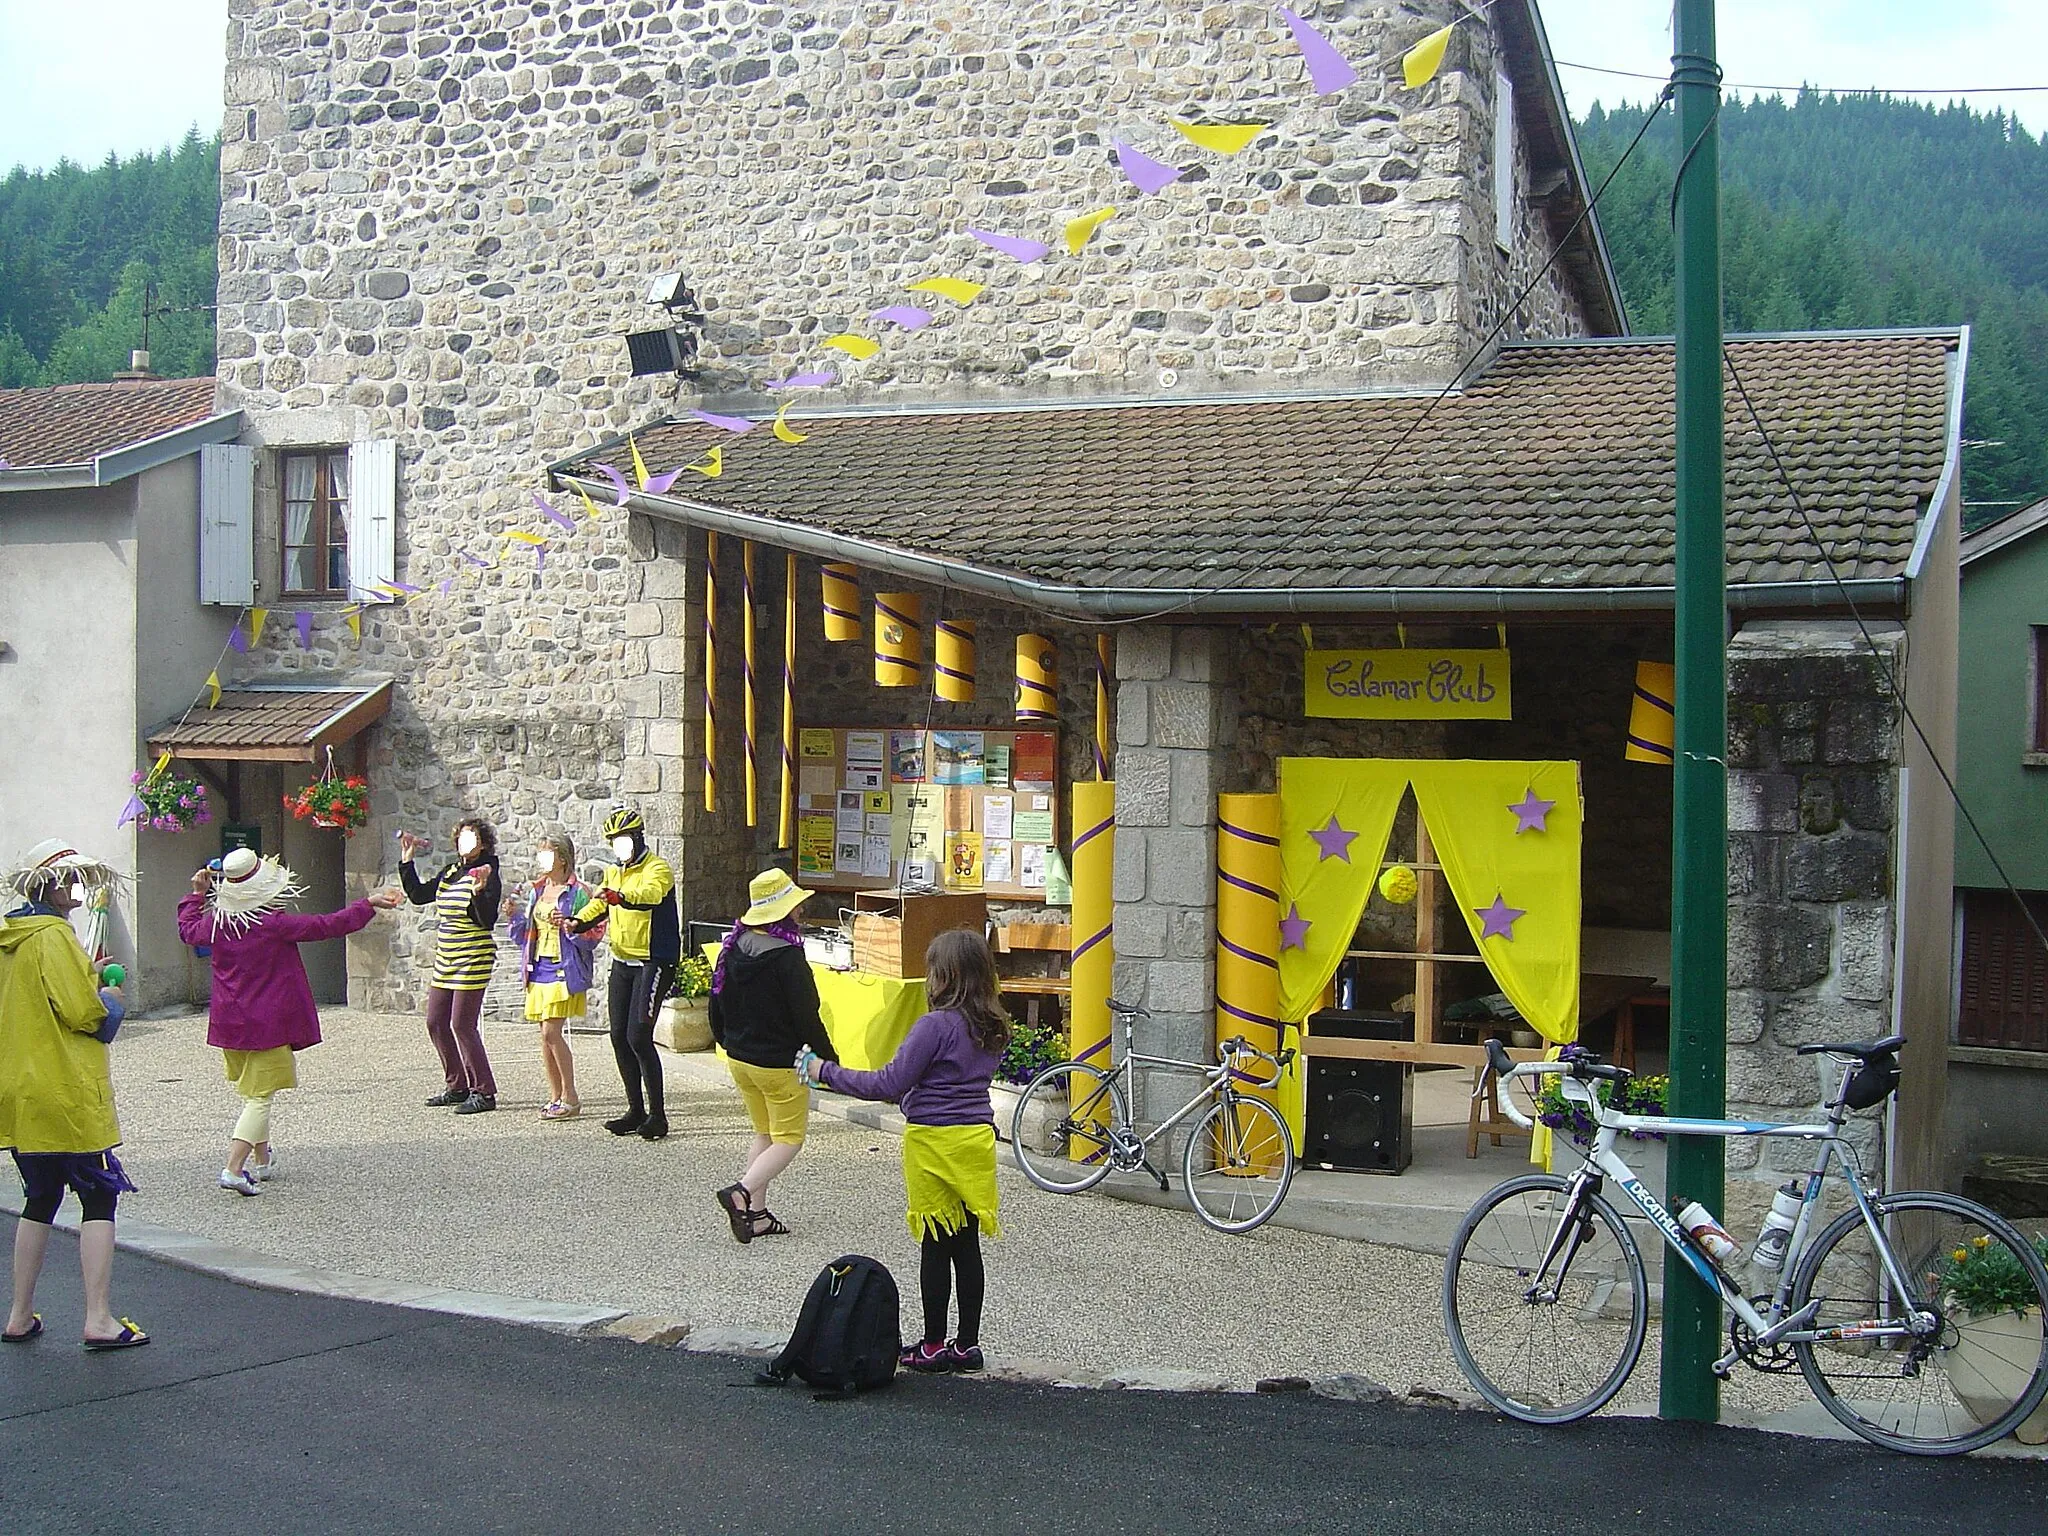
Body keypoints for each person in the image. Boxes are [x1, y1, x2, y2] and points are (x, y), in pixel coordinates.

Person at [799, 929, 1010, 1374]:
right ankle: (967, 1345)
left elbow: (888, 1084)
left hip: (933, 1143)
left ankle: (933, 1345)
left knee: (935, 1245)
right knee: (967, 1247)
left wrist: (825, 1072)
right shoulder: (991, 1026)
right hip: (974, 1142)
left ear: (945, 975)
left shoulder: (934, 1026)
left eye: (932, 968)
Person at [177, 849, 402, 1193]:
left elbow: (188, 930)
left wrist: (196, 896)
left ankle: (263, 1160)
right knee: (260, 1098)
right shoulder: (272, 924)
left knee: (254, 1091)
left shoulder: (217, 924)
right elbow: (328, 925)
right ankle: (233, 1168)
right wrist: (368, 903)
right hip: (268, 1023)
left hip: (230, 1023)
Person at [0, 839, 145, 1350]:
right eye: (71, 881)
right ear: (52, 886)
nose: (78, 889)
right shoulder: (54, 937)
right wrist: (109, 998)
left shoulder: (10, 937)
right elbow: (84, 1015)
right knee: (99, 1194)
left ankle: (19, 1314)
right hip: (64, 1088)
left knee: (39, 1196)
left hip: (21, 1091)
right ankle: (99, 1318)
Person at [707, 869, 836, 1243]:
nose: (800, 911)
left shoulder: (734, 946)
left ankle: (756, 1216)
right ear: (782, 912)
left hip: (741, 1059)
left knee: (765, 1132)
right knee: (790, 1139)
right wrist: (829, 1061)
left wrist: (727, 1041)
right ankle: (741, 1192)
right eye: (796, 906)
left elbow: (716, 1004)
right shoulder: (787, 958)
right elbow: (806, 1014)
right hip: (780, 1064)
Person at [571, 805, 677, 1141]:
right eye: (614, 841)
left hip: (654, 960)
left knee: (639, 1037)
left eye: (625, 839)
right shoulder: (614, 872)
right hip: (622, 961)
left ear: (638, 837)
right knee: (618, 1036)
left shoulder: (658, 868)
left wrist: (621, 896)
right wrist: (577, 921)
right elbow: (600, 905)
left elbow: (649, 896)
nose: (620, 846)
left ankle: (658, 1116)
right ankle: (635, 1110)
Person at [399, 819, 502, 1115]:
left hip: (473, 955)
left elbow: (487, 920)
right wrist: (407, 861)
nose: (465, 843)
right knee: (435, 1021)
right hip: (447, 956)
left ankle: (484, 1091)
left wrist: (480, 891)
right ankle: (457, 1085)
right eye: (461, 838)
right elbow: (420, 895)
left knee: (462, 1024)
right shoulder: (451, 871)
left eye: (472, 838)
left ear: (482, 844)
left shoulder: (487, 872)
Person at [504, 831, 600, 1121]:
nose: (541, 859)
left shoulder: (579, 892)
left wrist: (570, 925)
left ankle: (570, 1095)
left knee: (551, 1032)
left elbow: (593, 932)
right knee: (544, 1037)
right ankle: (555, 1095)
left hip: (564, 967)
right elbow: (525, 937)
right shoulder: (536, 890)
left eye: (547, 853)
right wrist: (514, 917)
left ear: (562, 858)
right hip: (539, 967)